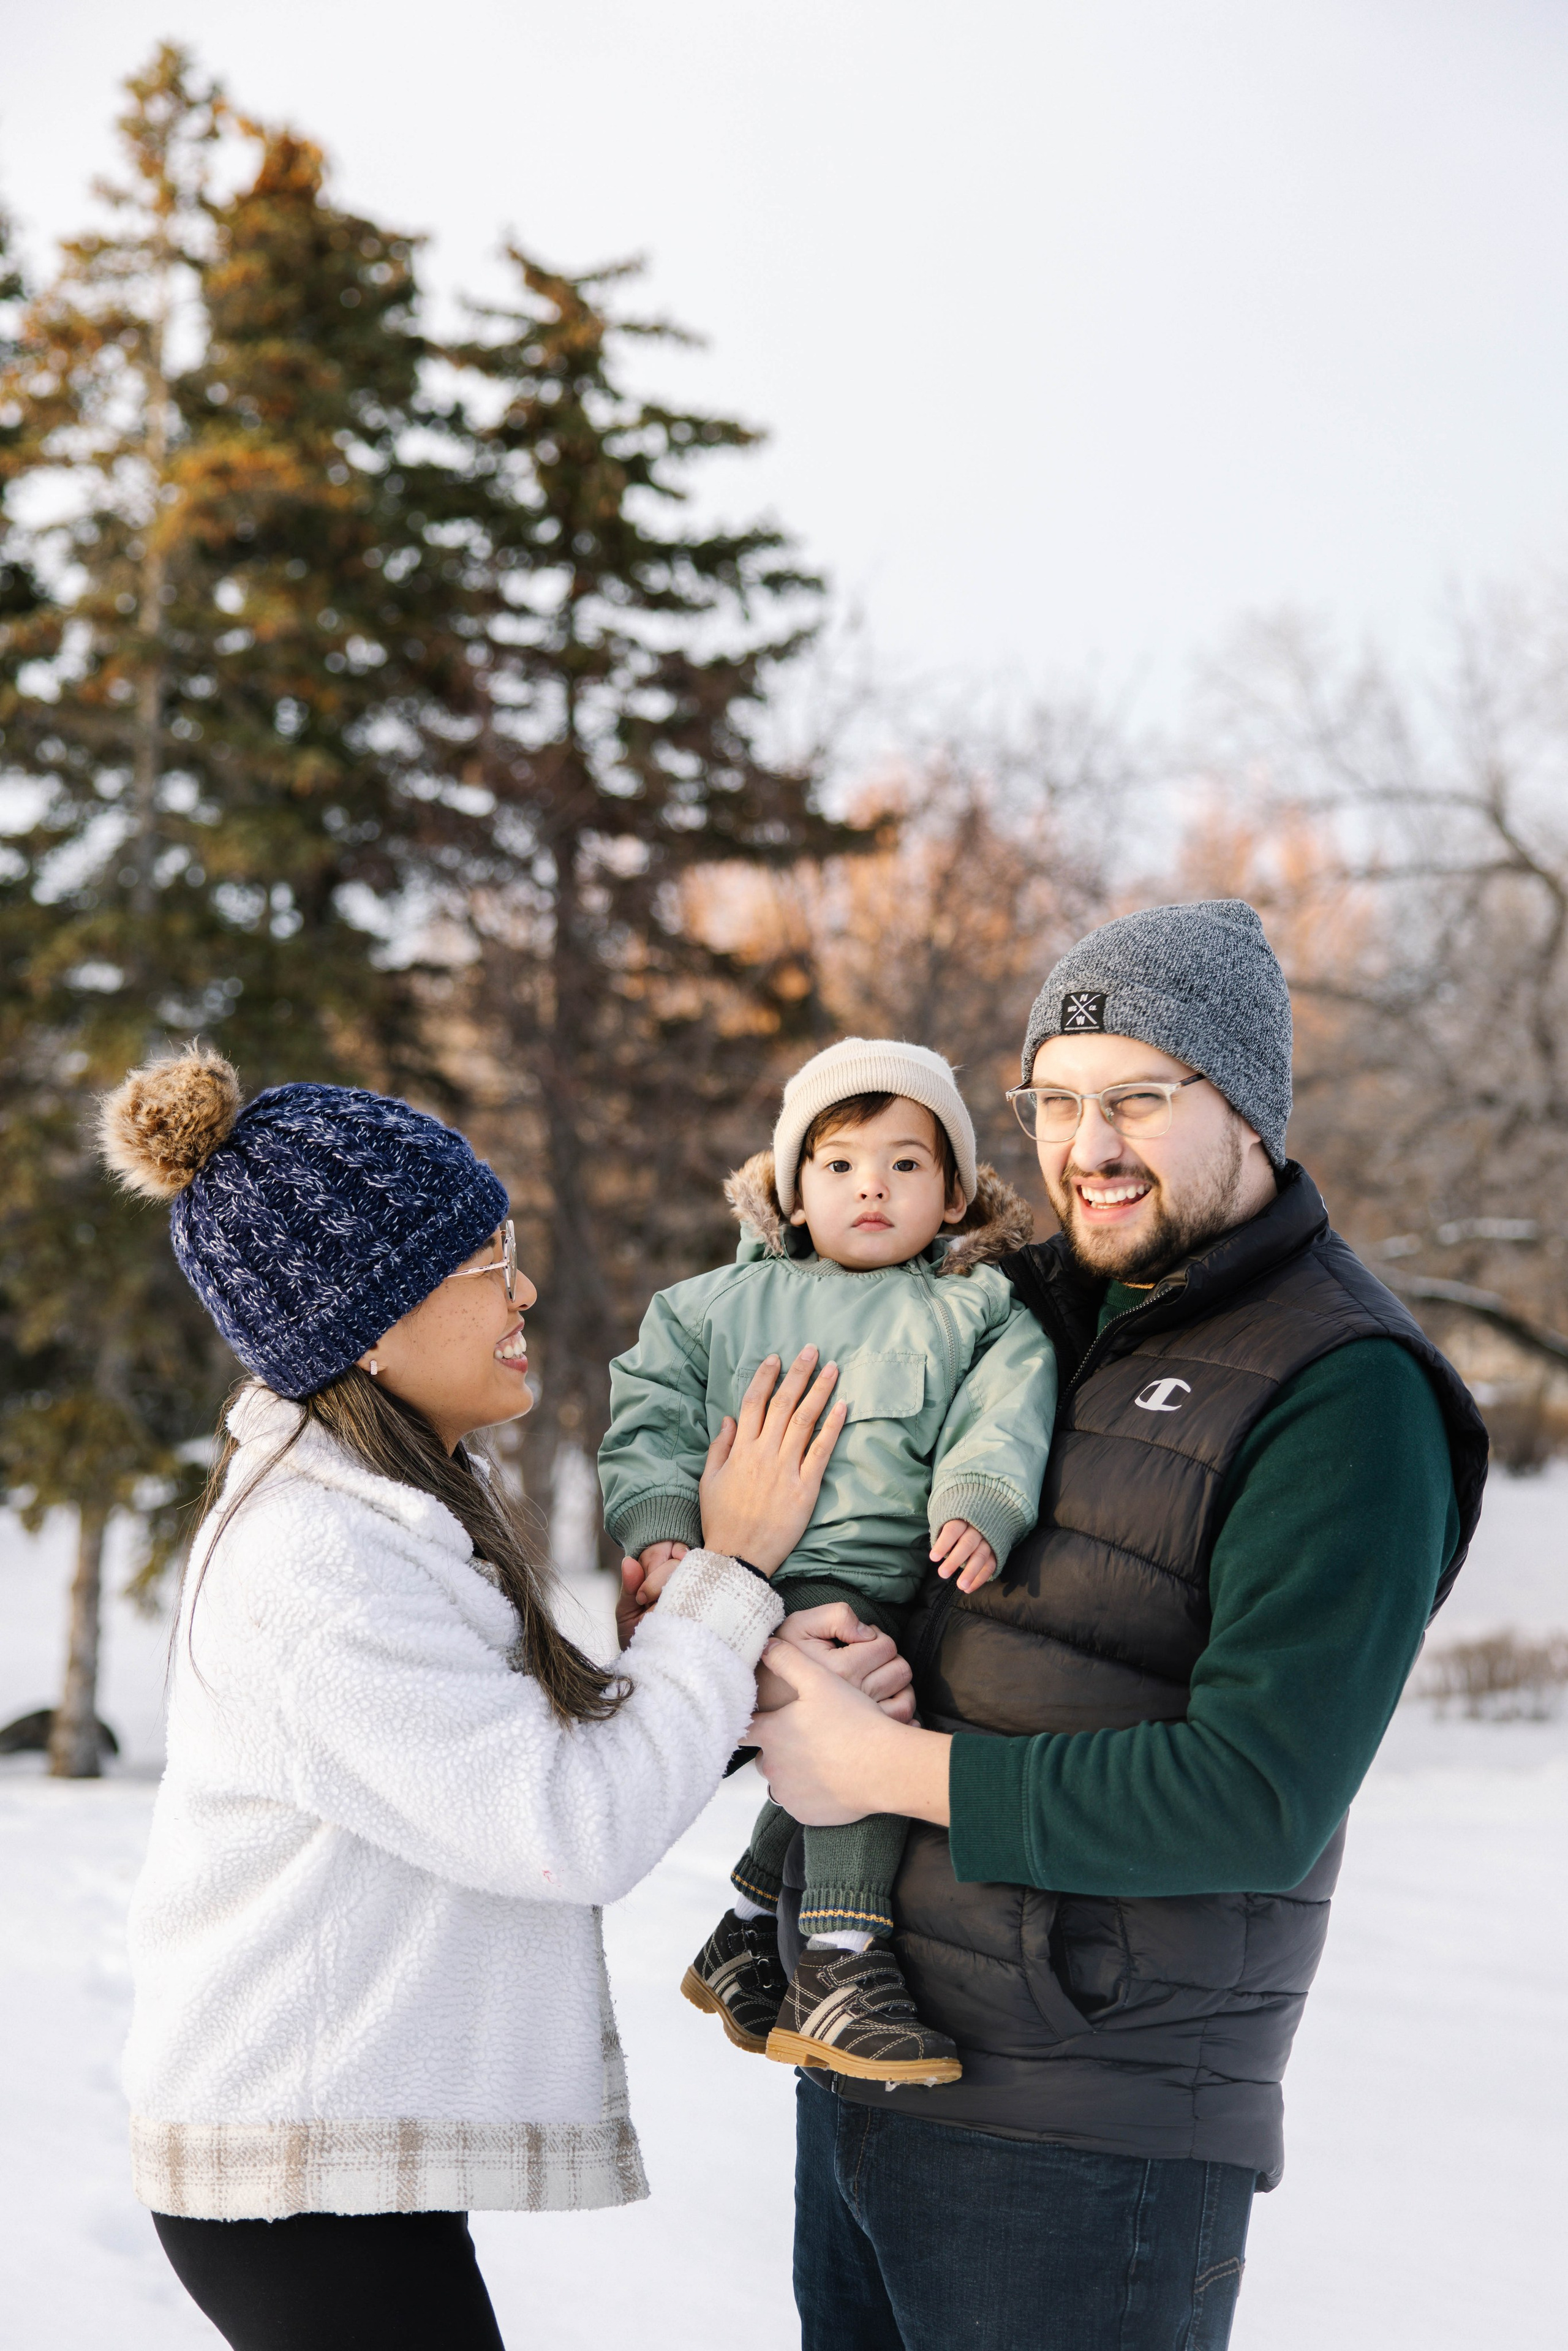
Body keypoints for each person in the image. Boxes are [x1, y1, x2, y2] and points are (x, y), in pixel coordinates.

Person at [749, 900, 1490, 2351]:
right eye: (1054, 1100)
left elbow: (1255, 1794)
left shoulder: (1344, 1390)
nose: (1085, 1146)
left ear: (1247, 1104)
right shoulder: (1002, 1310)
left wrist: (881, 1768)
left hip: (1084, 2138)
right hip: (861, 2058)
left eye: (1137, 1098)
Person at [99, 1043, 903, 2351]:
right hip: (295, 2171)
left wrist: (741, 1671)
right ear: (368, 1317)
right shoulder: (318, 1560)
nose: (522, 1287)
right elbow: (566, 1824)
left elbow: (513, 1764)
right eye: (485, 1263)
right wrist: (734, 1568)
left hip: (335, 2144)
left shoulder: (394, 1502)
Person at [598, 1039, 1057, 2085]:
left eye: (906, 1164)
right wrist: (662, 1527)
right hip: (752, 1579)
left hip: (890, 1580)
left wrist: (979, 1499)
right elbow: (652, 1413)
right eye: (840, 1163)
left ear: (954, 1195)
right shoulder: (713, 1305)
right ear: (793, 1193)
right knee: (865, 1719)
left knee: (858, 1709)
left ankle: (748, 1925)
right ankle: (842, 1963)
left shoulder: (976, 1309)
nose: (871, 1187)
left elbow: (1005, 1412)